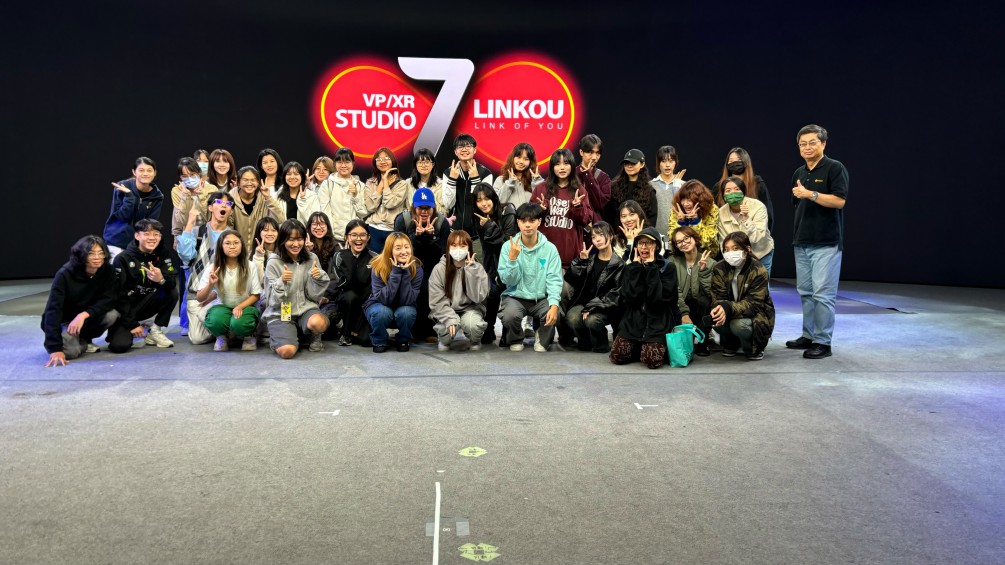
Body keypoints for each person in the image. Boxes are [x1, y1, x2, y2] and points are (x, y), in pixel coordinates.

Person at [786, 124, 848, 359]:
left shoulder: (835, 168)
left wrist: (811, 194)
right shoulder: (799, 172)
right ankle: (808, 335)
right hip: (802, 241)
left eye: (812, 142)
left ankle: (823, 342)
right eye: (802, 144)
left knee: (823, 294)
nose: (807, 147)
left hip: (826, 242)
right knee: (806, 292)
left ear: (823, 144)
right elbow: (798, 206)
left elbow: (840, 201)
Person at [42, 236, 120, 367]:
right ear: (81, 255)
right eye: (91, 253)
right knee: (70, 353)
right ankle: (80, 342)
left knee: (112, 314)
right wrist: (55, 348)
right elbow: (53, 310)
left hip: (85, 318)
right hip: (65, 320)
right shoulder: (64, 274)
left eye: (101, 253)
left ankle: (84, 339)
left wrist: (83, 315)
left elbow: (109, 299)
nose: (97, 257)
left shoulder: (107, 270)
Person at [610, 226, 681, 369]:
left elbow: (658, 300)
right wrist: (636, 270)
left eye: (649, 243)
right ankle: (639, 345)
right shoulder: (631, 267)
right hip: (633, 322)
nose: (644, 246)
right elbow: (629, 299)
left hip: (658, 322)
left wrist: (651, 269)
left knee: (651, 360)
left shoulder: (667, 267)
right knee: (617, 357)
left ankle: (648, 346)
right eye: (641, 243)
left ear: (657, 246)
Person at [497, 202, 563, 352]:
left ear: (539, 222)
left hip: (541, 298)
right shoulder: (508, 247)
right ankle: (516, 338)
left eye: (532, 221)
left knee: (555, 311)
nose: (527, 225)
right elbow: (507, 281)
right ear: (518, 222)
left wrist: (554, 305)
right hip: (515, 297)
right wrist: (512, 259)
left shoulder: (550, 249)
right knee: (509, 314)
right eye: (523, 221)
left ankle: (542, 336)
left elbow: (554, 279)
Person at [107, 219, 179, 352]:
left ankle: (155, 330)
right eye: (146, 234)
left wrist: (161, 279)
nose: (152, 238)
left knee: (172, 291)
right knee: (119, 346)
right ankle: (133, 326)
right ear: (137, 236)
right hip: (126, 309)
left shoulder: (162, 252)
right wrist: (132, 324)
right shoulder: (122, 259)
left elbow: (172, 281)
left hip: (147, 302)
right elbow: (118, 296)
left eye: (156, 234)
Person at [262, 219, 330, 358]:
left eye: (299, 239)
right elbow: (271, 301)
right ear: (282, 240)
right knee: (287, 352)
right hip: (283, 309)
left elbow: (315, 296)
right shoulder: (273, 262)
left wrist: (318, 278)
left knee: (319, 323)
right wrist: (281, 282)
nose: (296, 244)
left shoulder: (312, 258)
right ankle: (284, 336)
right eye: (291, 239)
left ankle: (312, 335)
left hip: (306, 307)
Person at [177, 191, 236, 344]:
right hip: (197, 294)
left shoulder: (233, 236)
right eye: (219, 202)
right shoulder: (198, 231)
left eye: (228, 204)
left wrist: (215, 294)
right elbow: (185, 256)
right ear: (210, 207)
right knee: (197, 338)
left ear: (230, 211)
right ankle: (221, 329)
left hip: (222, 295)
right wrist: (190, 223)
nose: (224, 206)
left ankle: (222, 327)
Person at [393, 187, 450, 341]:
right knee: (415, 285)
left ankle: (430, 329)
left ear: (433, 208)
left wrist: (432, 237)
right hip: (408, 265)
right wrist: (416, 237)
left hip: (433, 266)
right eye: (420, 208)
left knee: (428, 286)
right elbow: (397, 250)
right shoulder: (403, 221)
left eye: (427, 208)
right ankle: (411, 329)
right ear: (414, 207)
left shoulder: (442, 223)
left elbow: (443, 254)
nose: (424, 212)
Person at [710, 231, 775, 360]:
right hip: (732, 311)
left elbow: (754, 304)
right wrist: (720, 309)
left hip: (756, 314)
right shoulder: (719, 268)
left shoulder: (759, 270)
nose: (730, 253)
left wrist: (727, 308)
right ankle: (731, 344)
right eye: (726, 249)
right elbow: (718, 296)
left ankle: (752, 347)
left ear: (747, 249)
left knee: (738, 325)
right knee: (715, 318)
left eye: (735, 249)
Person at [195, 229, 262, 352]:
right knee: (214, 321)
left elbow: (256, 295)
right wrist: (210, 284)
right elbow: (199, 297)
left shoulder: (250, 266)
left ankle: (249, 335)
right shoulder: (213, 268)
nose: (232, 246)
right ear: (221, 246)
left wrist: (240, 307)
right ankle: (222, 337)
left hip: (246, 306)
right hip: (223, 306)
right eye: (227, 243)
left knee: (239, 324)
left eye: (236, 243)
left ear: (241, 245)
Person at [564, 221, 624, 353]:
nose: (597, 240)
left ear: (611, 236)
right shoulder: (589, 259)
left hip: (606, 307)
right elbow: (571, 279)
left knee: (592, 320)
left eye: (601, 235)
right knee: (572, 317)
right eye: (593, 237)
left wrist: (593, 306)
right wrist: (581, 262)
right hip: (584, 304)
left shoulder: (619, 264)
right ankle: (585, 341)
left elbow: (616, 293)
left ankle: (601, 345)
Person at [427, 230, 490, 351]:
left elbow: (478, 298)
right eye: (454, 245)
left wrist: (471, 271)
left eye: (462, 245)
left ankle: (475, 340)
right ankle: (444, 338)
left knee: (473, 325)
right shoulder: (439, 269)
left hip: (471, 309)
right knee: (447, 330)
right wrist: (449, 318)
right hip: (446, 310)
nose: (458, 249)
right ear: (448, 247)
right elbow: (436, 300)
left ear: (469, 248)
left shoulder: (478, 268)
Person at [470, 183, 517, 344]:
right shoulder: (478, 217)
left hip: (510, 262)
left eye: (486, 199)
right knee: (491, 294)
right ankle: (489, 328)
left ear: (494, 198)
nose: (483, 203)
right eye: (479, 200)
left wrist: (490, 226)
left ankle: (507, 330)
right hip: (491, 262)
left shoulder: (507, 211)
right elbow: (485, 245)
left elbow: (508, 243)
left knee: (508, 296)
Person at [529, 148, 592, 268]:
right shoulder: (541, 188)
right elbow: (529, 218)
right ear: (552, 167)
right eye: (557, 164)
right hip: (543, 256)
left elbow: (586, 220)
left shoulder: (579, 190)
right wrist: (540, 209)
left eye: (566, 163)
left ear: (572, 166)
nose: (562, 168)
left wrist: (578, 207)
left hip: (569, 259)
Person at [362, 232, 423, 353]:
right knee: (382, 312)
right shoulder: (377, 266)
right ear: (390, 250)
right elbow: (384, 299)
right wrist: (395, 273)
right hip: (379, 304)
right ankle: (379, 340)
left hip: (404, 305)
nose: (404, 252)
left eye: (406, 247)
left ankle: (403, 339)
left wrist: (405, 272)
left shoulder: (417, 267)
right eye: (398, 248)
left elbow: (407, 300)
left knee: (406, 312)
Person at [299, 146, 368, 246]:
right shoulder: (327, 184)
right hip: (334, 238)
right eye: (339, 162)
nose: (343, 165)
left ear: (353, 163)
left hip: (355, 238)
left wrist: (355, 195)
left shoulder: (360, 185)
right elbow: (324, 211)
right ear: (335, 164)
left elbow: (363, 213)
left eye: (347, 162)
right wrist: (331, 235)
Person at [326, 219, 378, 346]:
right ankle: (345, 333)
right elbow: (345, 284)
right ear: (346, 237)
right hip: (347, 300)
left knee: (366, 341)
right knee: (351, 296)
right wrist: (350, 259)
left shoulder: (375, 257)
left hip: (366, 302)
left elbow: (373, 287)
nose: (358, 239)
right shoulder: (339, 256)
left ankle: (353, 330)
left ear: (368, 237)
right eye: (354, 235)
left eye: (362, 235)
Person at [669, 226, 717, 356]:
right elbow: (675, 290)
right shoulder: (672, 262)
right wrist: (684, 313)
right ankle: (685, 338)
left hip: (701, 308)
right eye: (679, 241)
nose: (684, 243)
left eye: (686, 238)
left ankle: (703, 341)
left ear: (694, 238)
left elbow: (711, 294)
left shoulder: (711, 263)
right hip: (680, 304)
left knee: (705, 301)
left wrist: (703, 271)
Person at [102, 157, 164, 257]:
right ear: (134, 172)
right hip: (116, 242)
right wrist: (129, 196)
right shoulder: (122, 187)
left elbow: (151, 223)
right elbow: (123, 216)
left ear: (155, 173)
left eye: (149, 170)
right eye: (141, 170)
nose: (145, 174)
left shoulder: (157, 196)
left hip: (138, 246)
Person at [442, 134, 494, 245]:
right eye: (460, 147)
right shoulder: (448, 172)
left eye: (468, 146)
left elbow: (484, 205)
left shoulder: (485, 173)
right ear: (455, 152)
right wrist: (452, 180)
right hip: (454, 232)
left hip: (478, 234)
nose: (464, 149)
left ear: (475, 150)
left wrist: (475, 179)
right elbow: (447, 204)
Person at [718, 176, 775, 276]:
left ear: (743, 191)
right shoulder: (721, 213)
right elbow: (723, 241)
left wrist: (746, 219)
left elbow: (757, 238)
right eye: (728, 191)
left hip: (760, 253)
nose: (733, 193)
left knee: (760, 284)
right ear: (723, 195)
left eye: (737, 189)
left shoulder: (758, 206)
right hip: (736, 257)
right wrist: (731, 258)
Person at [713, 147, 774, 231]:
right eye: (731, 161)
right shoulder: (719, 187)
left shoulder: (757, 184)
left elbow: (768, 214)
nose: (735, 163)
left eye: (738, 160)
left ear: (746, 162)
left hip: (753, 234)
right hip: (727, 234)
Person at [363, 147, 409, 253]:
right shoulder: (370, 182)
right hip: (373, 228)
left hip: (392, 230)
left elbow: (390, 203)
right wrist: (381, 184)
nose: (382, 161)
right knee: (373, 261)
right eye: (379, 159)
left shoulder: (402, 184)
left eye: (386, 158)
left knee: (391, 260)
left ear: (392, 161)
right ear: (375, 163)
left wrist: (386, 185)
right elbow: (370, 207)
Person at [229, 165, 284, 250]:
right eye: (245, 180)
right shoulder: (229, 199)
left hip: (260, 249)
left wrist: (268, 198)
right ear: (238, 182)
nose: (249, 183)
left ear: (258, 182)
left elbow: (280, 218)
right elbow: (228, 228)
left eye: (253, 180)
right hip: (236, 250)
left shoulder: (264, 197)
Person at [605, 149, 657, 230]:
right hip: (617, 234)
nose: (629, 166)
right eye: (627, 163)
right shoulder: (614, 187)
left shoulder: (649, 191)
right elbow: (608, 214)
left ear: (642, 164)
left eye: (633, 163)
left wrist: (641, 234)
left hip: (640, 235)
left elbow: (651, 219)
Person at [668, 180, 720, 258]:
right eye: (683, 199)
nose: (685, 204)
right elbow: (672, 239)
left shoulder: (711, 209)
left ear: (700, 200)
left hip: (706, 255)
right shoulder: (677, 210)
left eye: (689, 200)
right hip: (682, 256)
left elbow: (707, 240)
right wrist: (681, 222)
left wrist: (695, 222)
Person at [170, 156, 215, 238]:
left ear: (199, 173)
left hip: (209, 236)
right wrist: (185, 196)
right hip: (188, 235)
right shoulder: (176, 191)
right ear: (180, 177)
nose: (189, 178)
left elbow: (208, 218)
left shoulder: (212, 189)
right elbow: (182, 220)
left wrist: (201, 194)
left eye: (192, 174)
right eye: (184, 176)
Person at [574, 134, 612, 222]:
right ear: (581, 152)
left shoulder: (603, 177)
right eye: (590, 152)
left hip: (595, 226)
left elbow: (600, 204)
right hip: (573, 224)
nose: (594, 157)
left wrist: (588, 175)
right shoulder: (572, 174)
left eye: (597, 153)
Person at [650, 145, 686, 235]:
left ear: (675, 162)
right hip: (656, 236)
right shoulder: (650, 185)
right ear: (658, 163)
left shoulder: (683, 185)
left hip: (679, 236)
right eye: (663, 161)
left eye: (671, 161)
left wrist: (677, 187)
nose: (667, 165)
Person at [493, 142, 541, 209]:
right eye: (518, 157)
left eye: (526, 159)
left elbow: (541, 203)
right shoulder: (500, 180)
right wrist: (510, 183)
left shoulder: (536, 180)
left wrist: (537, 183)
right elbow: (497, 203)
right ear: (512, 158)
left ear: (531, 162)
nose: (521, 162)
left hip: (530, 215)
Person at [405, 148, 449, 218]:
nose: (424, 165)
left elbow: (445, 208)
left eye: (427, 162)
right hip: (413, 221)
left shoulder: (441, 184)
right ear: (416, 165)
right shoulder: (408, 183)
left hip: (434, 220)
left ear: (433, 164)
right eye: (420, 162)